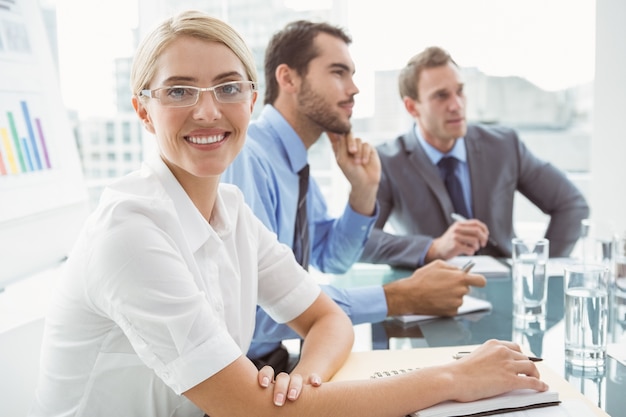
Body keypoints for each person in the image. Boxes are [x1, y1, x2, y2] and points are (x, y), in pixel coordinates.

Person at [30, 11, 549, 417]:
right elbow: (261, 404)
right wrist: (455, 378)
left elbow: (327, 314)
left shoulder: (227, 208)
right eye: (180, 91)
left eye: (229, 88)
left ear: (252, 98)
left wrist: (304, 383)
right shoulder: (131, 232)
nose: (208, 110)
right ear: (144, 109)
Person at [221, 20, 486, 371]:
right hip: (247, 373)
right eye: (338, 73)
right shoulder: (249, 159)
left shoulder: (293, 163)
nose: (355, 88)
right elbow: (253, 311)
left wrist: (363, 192)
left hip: (279, 361)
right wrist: (398, 297)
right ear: (288, 79)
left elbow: (330, 257)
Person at [359, 46, 590, 269]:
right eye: (441, 96)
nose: (456, 105)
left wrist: (538, 272)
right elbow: (360, 241)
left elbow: (571, 204)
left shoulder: (504, 145)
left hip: (505, 284)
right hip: (430, 289)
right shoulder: (387, 161)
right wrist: (433, 248)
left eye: (460, 91)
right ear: (412, 107)